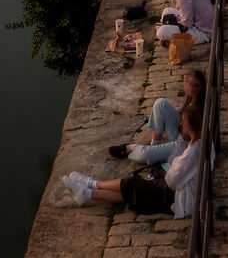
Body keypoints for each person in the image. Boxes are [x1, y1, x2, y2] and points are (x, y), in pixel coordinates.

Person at [63, 104, 202, 215]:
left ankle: (90, 186)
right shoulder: (200, 143)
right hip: (185, 191)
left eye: (184, 122)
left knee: (134, 183)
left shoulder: (190, 153)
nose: (181, 124)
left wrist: (172, 166)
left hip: (178, 200)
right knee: (134, 191)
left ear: (191, 126)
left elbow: (171, 181)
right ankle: (88, 190)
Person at [109, 67, 207, 166]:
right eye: (190, 84)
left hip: (185, 144)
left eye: (196, 86)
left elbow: (192, 135)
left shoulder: (199, 105)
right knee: (161, 103)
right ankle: (154, 144)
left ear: (202, 87)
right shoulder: (191, 98)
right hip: (181, 132)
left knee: (145, 154)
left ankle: (131, 148)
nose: (192, 88)